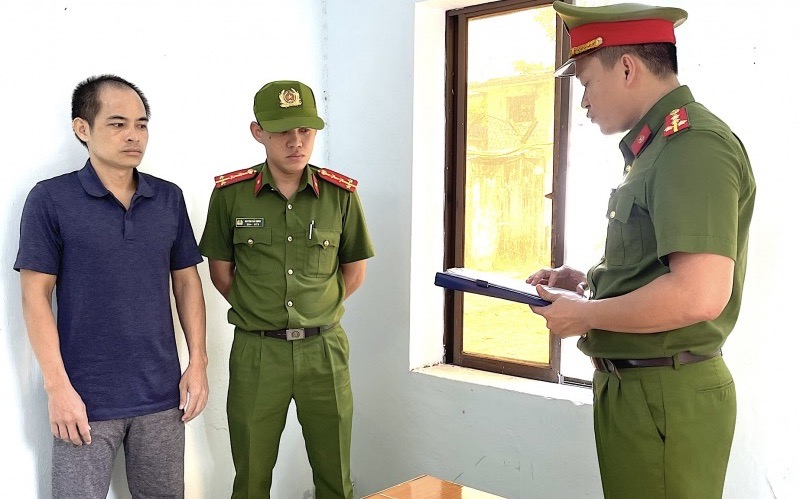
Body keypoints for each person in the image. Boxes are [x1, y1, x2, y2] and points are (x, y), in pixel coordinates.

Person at [527, 3, 755, 498]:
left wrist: (587, 314)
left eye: (586, 83)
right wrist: (586, 281)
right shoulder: (656, 149)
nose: (582, 101)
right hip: (638, 390)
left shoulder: (691, 146)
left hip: (665, 393)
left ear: (627, 67)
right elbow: (651, 268)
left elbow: (698, 295)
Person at [14, 74, 209, 498]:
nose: (133, 135)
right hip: (83, 400)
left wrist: (198, 362)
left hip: (162, 394)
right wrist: (57, 387)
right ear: (82, 129)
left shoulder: (168, 198)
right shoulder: (51, 199)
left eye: (141, 124)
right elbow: (35, 296)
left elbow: (187, 282)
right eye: (118, 123)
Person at [199, 80, 374, 499]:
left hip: (324, 352)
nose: (296, 142)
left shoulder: (340, 195)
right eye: (282, 131)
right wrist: (261, 311)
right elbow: (221, 274)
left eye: (306, 131)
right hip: (258, 353)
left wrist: (318, 310)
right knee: (251, 478)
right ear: (258, 132)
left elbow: (354, 272)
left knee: (335, 476)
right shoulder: (230, 195)